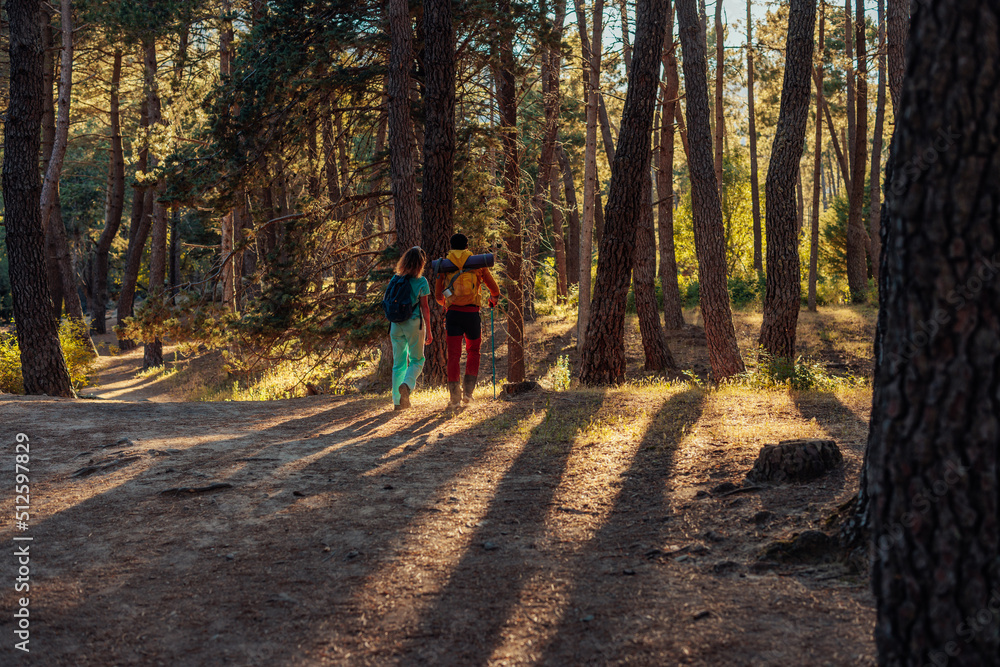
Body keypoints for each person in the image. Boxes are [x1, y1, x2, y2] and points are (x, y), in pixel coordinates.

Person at [435, 233, 500, 407]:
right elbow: (494, 289)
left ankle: (454, 398)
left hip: (453, 315)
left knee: (454, 356)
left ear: (451, 246)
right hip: (472, 315)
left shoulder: (444, 266)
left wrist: (447, 303)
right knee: (473, 352)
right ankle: (468, 394)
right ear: (466, 246)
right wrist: (493, 299)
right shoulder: (477, 264)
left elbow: (437, 294)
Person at [390, 247, 432, 410]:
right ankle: (407, 385)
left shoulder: (395, 279)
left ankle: (398, 402)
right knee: (417, 360)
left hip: (395, 324)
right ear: (421, 264)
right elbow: (425, 308)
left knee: (398, 363)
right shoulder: (421, 282)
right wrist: (429, 329)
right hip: (413, 324)